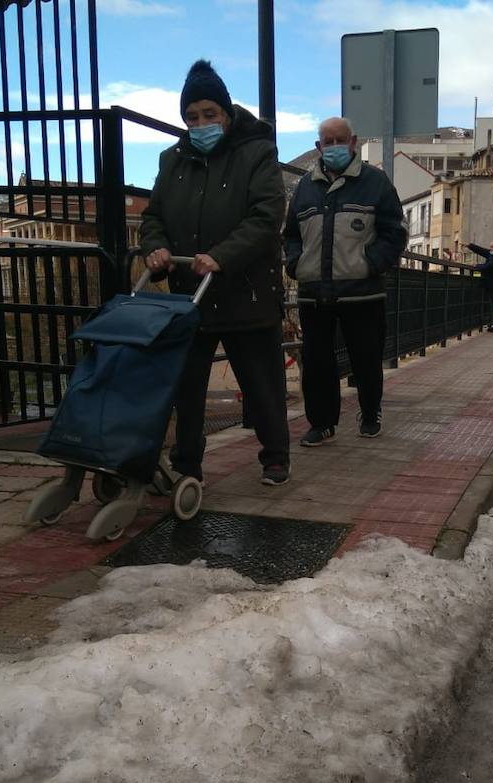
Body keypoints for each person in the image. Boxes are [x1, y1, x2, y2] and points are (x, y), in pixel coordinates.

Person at [139, 59, 291, 486]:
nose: (201, 123)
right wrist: (156, 247)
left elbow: (266, 215)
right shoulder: (173, 160)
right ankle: (187, 464)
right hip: (192, 294)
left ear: (226, 112)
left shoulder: (257, 152)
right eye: (192, 117)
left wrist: (223, 255)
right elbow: (154, 217)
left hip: (245, 290)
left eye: (209, 114)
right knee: (186, 388)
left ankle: (275, 456)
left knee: (261, 383)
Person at [283, 117, 407, 444]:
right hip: (314, 293)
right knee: (317, 363)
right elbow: (291, 235)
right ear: (318, 147)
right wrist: (296, 263)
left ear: (353, 143)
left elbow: (394, 233)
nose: (335, 147)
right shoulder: (305, 188)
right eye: (328, 141)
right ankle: (321, 423)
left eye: (341, 140)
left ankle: (370, 412)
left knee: (366, 358)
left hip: (362, 292)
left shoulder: (376, 183)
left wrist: (370, 263)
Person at [468, 240, 493, 331]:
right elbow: (482, 251)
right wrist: (470, 246)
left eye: (491, 247)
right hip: (492, 285)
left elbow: (489, 266)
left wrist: (477, 266)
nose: (490, 249)